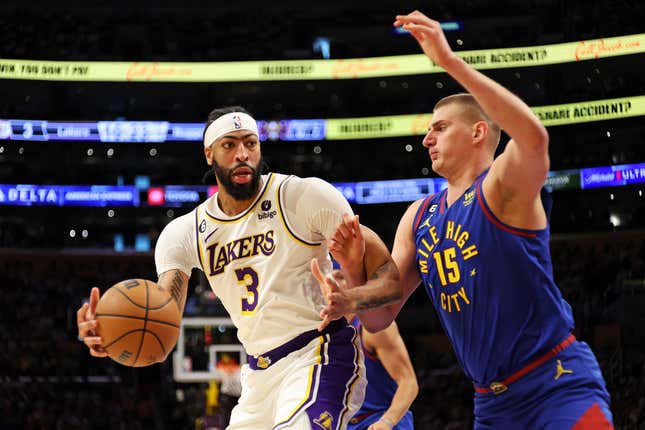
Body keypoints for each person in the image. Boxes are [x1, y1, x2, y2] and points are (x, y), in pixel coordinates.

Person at [313, 11, 614, 429]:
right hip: (490, 404)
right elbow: (382, 315)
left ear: (477, 133)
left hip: (555, 383)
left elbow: (534, 138)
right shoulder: (419, 216)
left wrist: (449, 62)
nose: (426, 138)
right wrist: (351, 286)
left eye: (439, 127)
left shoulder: (501, 187)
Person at [77, 106, 402, 430]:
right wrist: (111, 334)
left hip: (318, 355)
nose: (242, 153)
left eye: (250, 143)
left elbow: (390, 279)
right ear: (209, 154)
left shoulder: (302, 196)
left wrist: (352, 300)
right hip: (259, 376)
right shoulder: (185, 233)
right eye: (229, 145)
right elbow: (163, 326)